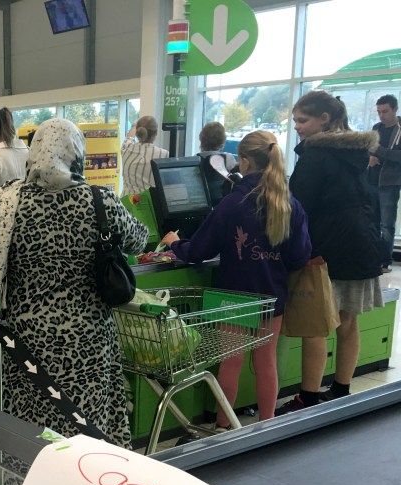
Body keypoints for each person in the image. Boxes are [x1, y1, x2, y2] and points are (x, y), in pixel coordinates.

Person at [0, 118, 148, 448]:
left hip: (23, 348)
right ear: (76, 153)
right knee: (87, 436)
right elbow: (139, 239)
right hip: (89, 347)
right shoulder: (100, 202)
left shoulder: (7, 203)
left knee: (28, 440)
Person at [160, 130, 312, 426]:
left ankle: (223, 426)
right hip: (272, 295)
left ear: (244, 161)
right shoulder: (290, 204)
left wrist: (174, 243)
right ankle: (266, 423)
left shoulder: (233, 203)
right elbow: (299, 256)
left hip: (234, 295)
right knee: (266, 362)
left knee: (231, 361)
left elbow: (200, 250)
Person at [278, 90, 383, 414]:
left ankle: (307, 398)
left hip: (328, 247)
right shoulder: (357, 153)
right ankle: (341, 389)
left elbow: (298, 205)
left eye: (302, 120)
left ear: (324, 119)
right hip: (363, 244)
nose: (297, 127)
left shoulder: (316, 155)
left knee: (317, 324)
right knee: (348, 321)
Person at [369, 94, 400, 272]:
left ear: (395, 109)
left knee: (386, 224)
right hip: (371, 180)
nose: (381, 115)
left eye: (385, 111)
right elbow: (368, 149)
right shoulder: (376, 128)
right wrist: (370, 158)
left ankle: (385, 260)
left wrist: (380, 151)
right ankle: (372, 256)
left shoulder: (399, 129)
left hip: (390, 183)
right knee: (372, 221)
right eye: (379, 112)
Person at [121, 115, 169, 195]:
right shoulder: (163, 155)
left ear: (137, 132)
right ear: (156, 133)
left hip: (126, 204)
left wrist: (134, 126)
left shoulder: (126, 149)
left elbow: (129, 137)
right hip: (150, 205)